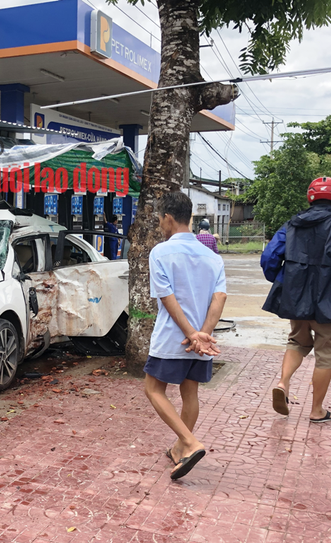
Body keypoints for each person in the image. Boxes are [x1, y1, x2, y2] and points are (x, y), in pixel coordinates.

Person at [260, 177, 331, 423]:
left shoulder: (292, 224)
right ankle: (317, 410)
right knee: (326, 355)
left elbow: (269, 257)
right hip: (329, 301)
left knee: (297, 342)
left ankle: (283, 382)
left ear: (310, 196)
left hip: (295, 297)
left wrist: (282, 281)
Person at [144, 192, 227, 480]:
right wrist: (203, 333)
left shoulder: (160, 252)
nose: (160, 224)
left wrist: (191, 333)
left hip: (172, 337)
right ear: (189, 216)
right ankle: (179, 448)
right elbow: (219, 296)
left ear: (168, 218)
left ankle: (189, 443)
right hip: (200, 341)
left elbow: (167, 297)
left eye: (159, 219)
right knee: (189, 393)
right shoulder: (211, 256)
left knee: (153, 389)